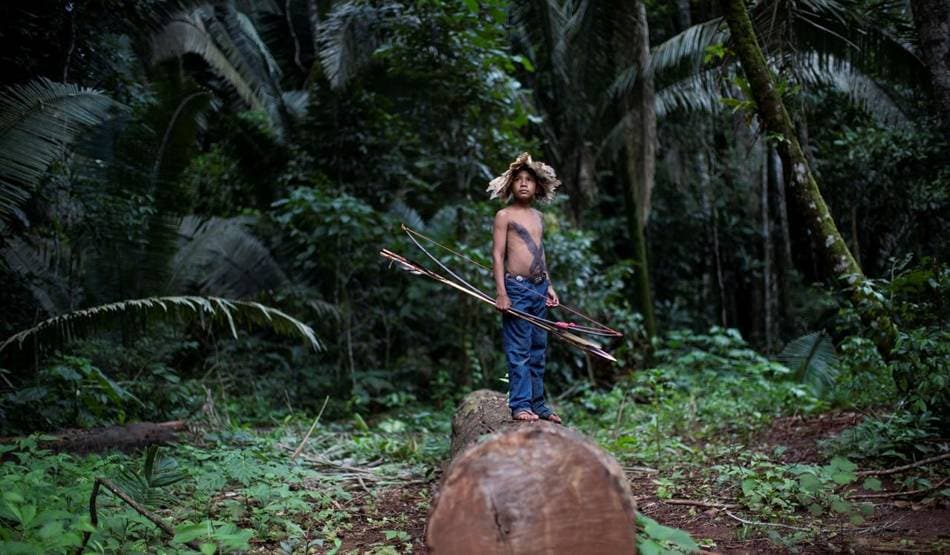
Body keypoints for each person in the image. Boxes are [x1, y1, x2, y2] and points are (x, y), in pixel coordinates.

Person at [488, 152, 563, 423]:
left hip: (538, 289)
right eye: (518, 179)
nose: (523, 183)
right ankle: (520, 404)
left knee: (537, 348)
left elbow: (540, 253)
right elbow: (498, 255)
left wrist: (549, 285)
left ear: (537, 186)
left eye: (528, 180)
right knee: (518, 349)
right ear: (511, 185)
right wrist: (502, 292)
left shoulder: (538, 217)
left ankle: (538, 405)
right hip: (516, 289)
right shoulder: (504, 215)